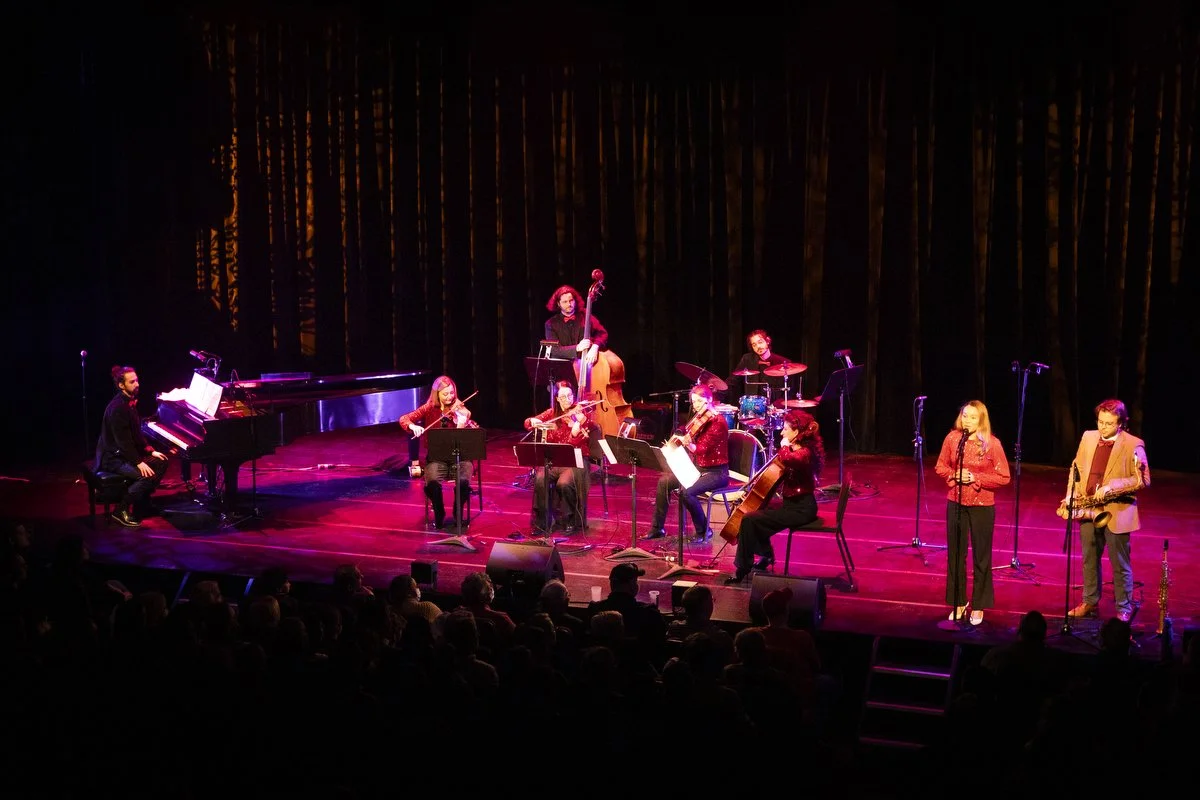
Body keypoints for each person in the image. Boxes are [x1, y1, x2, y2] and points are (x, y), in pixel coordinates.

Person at [1061, 398, 1150, 623]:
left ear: (1120, 423)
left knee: (1119, 563)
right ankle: (1089, 601)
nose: (1103, 427)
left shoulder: (1134, 443)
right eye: (1100, 422)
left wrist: (1112, 486)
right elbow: (1076, 467)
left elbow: (1143, 479)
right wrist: (1071, 494)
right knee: (1089, 558)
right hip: (1088, 507)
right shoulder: (1088, 437)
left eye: (1109, 423)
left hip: (1117, 511)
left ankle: (1123, 607)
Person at [934, 400, 1011, 626]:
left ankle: (978, 604)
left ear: (981, 420)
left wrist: (975, 477)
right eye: (965, 415)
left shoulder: (992, 444)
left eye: (973, 417)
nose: (967, 420)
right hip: (956, 502)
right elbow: (940, 466)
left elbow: (1004, 477)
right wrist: (954, 475)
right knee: (955, 555)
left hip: (982, 505)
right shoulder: (953, 439)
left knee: (981, 556)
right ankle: (958, 601)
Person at [726, 410, 824, 584]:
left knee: (749, 520)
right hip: (792, 504)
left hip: (801, 509)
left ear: (796, 432)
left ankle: (742, 567)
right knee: (757, 512)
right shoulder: (796, 449)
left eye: (785, 429)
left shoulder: (805, 453)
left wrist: (784, 446)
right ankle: (765, 555)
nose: (782, 433)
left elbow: (789, 460)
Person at [643, 384, 730, 542]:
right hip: (698, 468)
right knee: (664, 482)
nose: (696, 405)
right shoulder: (700, 417)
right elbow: (686, 428)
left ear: (709, 400)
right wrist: (680, 434)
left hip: (716, 473)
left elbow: (701, 450)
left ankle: (704, 530)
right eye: (694, 402)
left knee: (687, 493)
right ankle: (657, 528)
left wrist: (687, 443)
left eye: (699, 401)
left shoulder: (718, 422)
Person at [398, 375, 479, 529]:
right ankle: (439, 511)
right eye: (445, 394)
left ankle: (457, 512)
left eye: (452, 393)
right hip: (436, 458)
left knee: (463, 482)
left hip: (460, 457)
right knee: (432, 483)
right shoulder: (429, 408)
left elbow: (469, 436)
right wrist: (413, 426)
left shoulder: (460, 409)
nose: (450, 397)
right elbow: (404, 419)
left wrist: (461, 425)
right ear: (437, 394)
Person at [94, 365, 170, 527]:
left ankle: (143, 504)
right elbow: (123, 442)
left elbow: (136, 434)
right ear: (121, 385)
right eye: (132, 382)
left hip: (124, 454)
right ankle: (120, 509)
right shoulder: (118, 408)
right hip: (113, 458)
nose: (137, 384)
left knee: (161, 462)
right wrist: (138, 461)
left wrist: (150, 451)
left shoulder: (128, 402)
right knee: (147, 476)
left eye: (137, 380)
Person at [523, 380, 594, 532]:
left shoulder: (581, 415)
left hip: (576, 461)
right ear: (557, 399)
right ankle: (542, 522)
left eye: (570, 395)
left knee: (564, 483)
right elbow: (527, 423)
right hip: (555, 460)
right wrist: (532, 421)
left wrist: (574, 433)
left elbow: (582, 440)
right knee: (540, 479)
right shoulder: (551, 413)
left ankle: (570, 520)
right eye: (563, 397)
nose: (567, 400)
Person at [543, 284, 608, 367]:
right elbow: (554, 350)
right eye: (565, 302)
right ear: (558, 304)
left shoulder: (585, 315)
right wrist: (577, 348)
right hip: (564, 368)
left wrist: (595, 347)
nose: (569, 304)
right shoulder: (550, 324)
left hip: (588, 364)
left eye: (571, 300)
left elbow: (602, 333)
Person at [726, 329, 796, 402]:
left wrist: (777, 405)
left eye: (760, 342)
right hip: (752, 405)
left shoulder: (783, 362)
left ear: (767, 341)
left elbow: (790, 392)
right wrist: (719, 390)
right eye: (754, 345)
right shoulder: (747, 359)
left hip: (774, 405)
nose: (758, 346)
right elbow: (733, 380)